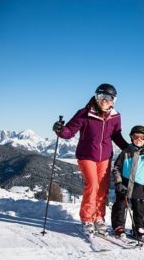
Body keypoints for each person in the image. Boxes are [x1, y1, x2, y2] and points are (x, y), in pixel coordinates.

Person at [52, 83, 128, 235]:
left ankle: (98, 217)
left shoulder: (115, 116)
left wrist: (127, 147)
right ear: (96, 96)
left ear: (114, 100)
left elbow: (116, 135)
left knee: (102, 189)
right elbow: (69, 132)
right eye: (101, 96)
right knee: (92, 185)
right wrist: (60, 130)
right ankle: (87, 218)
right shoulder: (85, 113)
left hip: (105, 157)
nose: (104, 101)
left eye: (108, 98)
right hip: (87, 155)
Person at [111, 125, 144, 241]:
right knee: (120, 205)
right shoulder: (126, 152)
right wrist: (118, 182)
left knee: (139, 208)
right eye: (135, 137)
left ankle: (139, 229)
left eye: (142, 137)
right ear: (131, 138)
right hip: (125, 183)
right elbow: (117, 167)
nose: (138, 140)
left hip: (139, 185)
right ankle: (118, 227)